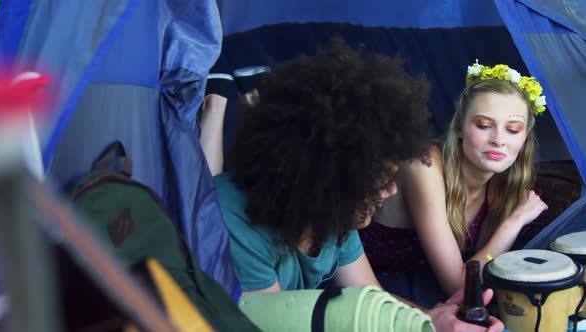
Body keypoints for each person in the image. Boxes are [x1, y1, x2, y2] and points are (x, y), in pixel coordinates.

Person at [214, 41, 504, 332]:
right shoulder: (236, 223)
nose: (392, 191)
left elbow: (372, 298)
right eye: (382, 180)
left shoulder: (334, 213)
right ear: (330, 177)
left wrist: (435, 319)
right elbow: (273, 324)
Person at [360, 60, 548, 305]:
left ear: (524, 138)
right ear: (459, 128)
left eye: (513, 129)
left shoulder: (501, 184)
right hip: (377, 293)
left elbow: (478, 267)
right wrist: (514, 222)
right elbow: (459, 286)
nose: (499, 140)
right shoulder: (423, 164)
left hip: (433, 293)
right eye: (484, 126)